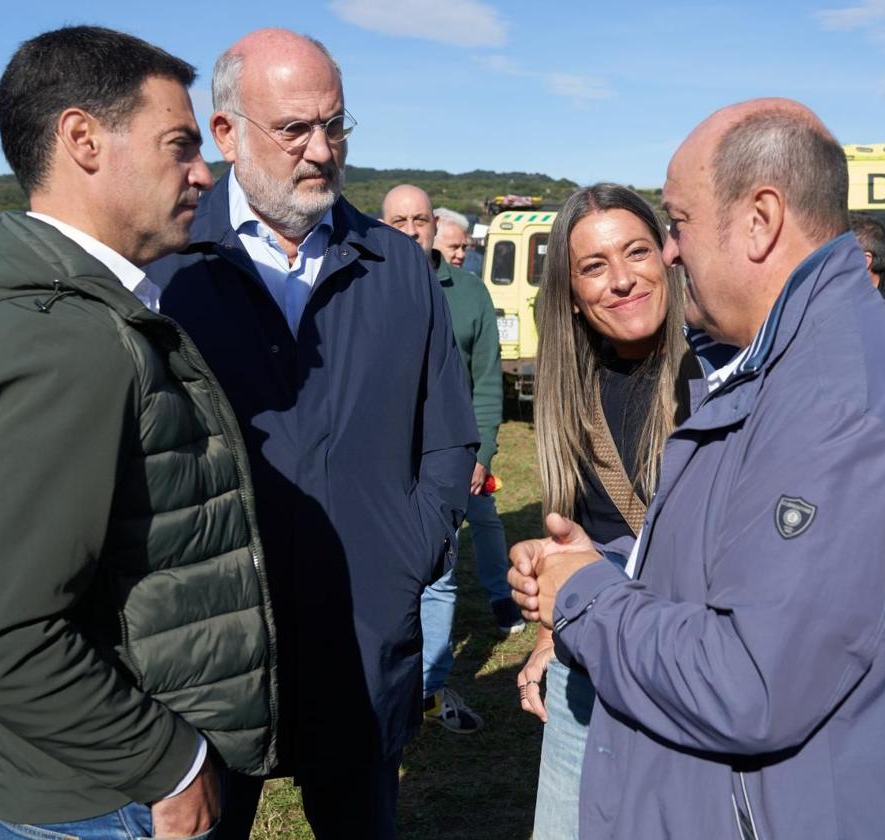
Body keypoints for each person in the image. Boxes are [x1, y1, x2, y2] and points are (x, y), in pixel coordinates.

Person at [509, 98, 885, 839]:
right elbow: (736, 572)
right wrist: (588, 564)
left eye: (678, 223)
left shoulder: (830, 402)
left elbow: (749, 683)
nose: (667, 254)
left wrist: (585, 595)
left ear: (759, 220)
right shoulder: (793, 369)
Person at [0, 26, 277, 840]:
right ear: (83, 139)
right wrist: (171, 763)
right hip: (114, 798)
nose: (204, 172)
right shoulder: (69, 339)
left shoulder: (86, 312)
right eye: (180, 143)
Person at [146, 29, 478, 840]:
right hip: (210, 651)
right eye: (294, 128)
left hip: (363, 638)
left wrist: (409, 552)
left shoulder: (396, 269)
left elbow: (447, 436)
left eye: (337, 126)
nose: (323, 151)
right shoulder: (167, 268)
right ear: (225, 133)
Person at [514, 182, 702, 839]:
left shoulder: (715, 376)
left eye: (636, 252)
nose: (621, 280)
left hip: (685, 664)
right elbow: (572, 526)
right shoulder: (573, 384)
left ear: (668, 255)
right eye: (595, 266)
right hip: (587, 666)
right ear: (570, 291)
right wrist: (545, 631)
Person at [380, 184, 517, 736]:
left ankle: (428, 692)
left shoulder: (468, 293)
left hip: (446, 459)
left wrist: (482, 452)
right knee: (379, 574)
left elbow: (486, 381)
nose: (410, 230)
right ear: (381, 225)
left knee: (438, 574)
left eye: (419, 220)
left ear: (435, 227)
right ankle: (380, 683)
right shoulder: (363, 286)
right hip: (379, 460)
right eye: (397, 221)